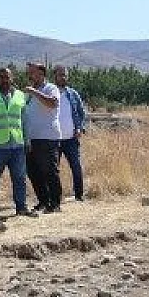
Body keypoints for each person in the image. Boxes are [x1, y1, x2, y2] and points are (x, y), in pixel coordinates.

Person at [0, 66, 30, 217]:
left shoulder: (21, 95)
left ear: (12, 78)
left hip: (17, 144)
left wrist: (27, 140)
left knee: (20, 178)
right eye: (2, 77)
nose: (5, 80)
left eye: (7, 77)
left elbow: (24, 120)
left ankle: (21, 207)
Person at [21, 62, 63, 214]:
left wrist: (35, 92)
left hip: (47, 137)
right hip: (31, 138)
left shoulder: (51, 88)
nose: (30, 75)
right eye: (29, 72)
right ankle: (43, 201)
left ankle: (55, 203)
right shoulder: (29, 93)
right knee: (33, 171)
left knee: (49, 171)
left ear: (41, 74)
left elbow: (52, 103)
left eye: (32, 72)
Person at [52, 65, 88, 202]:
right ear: (54, 76)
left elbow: (81, 113)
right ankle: (56, 196)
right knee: (54, 170)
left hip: (71, 139)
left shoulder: (73, 94)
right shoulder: (50, 93)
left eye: (65, 75)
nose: (63, 77)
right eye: (60, 75)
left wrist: (80, 128)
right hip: (54, 139)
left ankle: (79, 195)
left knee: (76, 166)